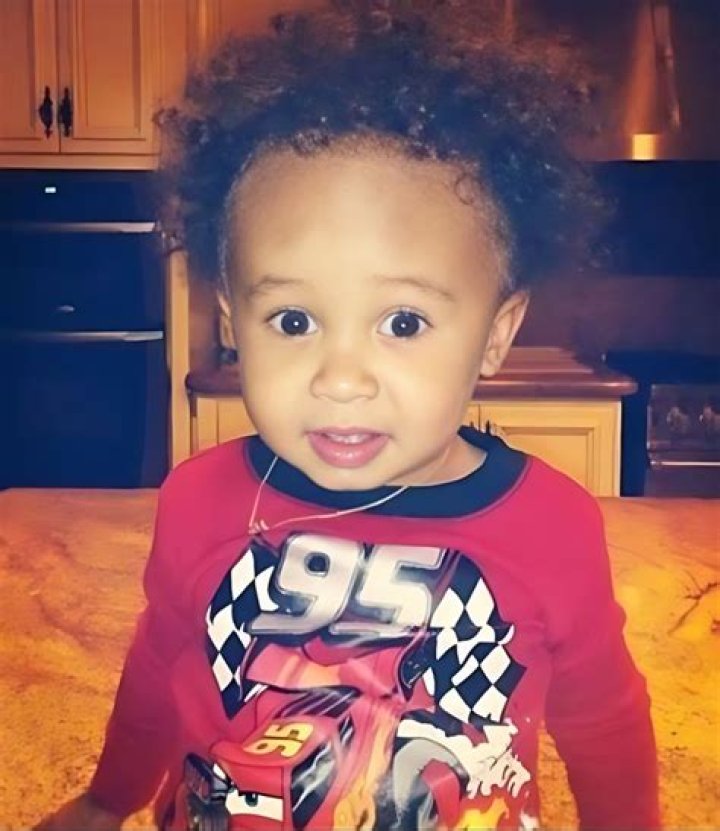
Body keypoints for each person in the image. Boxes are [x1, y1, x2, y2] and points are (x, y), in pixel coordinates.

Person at [36, 3, 660, 830]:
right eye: (293, 320)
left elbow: (603, 721)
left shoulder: (554, 527)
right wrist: (108, 798)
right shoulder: (197, 500)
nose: (339, 379)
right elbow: (160, 667)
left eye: (402, 322)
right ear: (232, 321)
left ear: (495, 333)